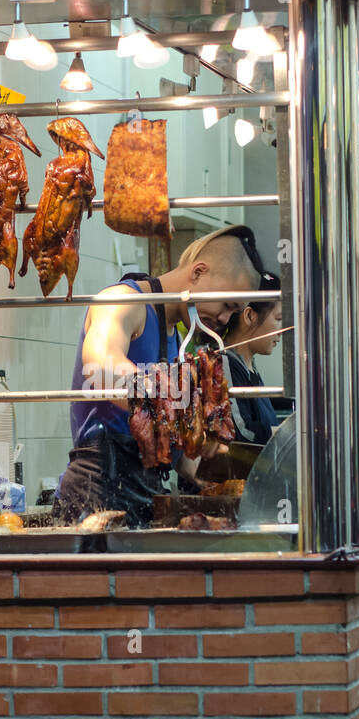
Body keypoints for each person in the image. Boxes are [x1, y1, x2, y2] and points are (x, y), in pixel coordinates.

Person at [53, 224, 269, 525]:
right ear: (198, 272)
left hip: (144, 494)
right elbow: (100, 366)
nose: (223, 319)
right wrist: (175, 411)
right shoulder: (123, 302)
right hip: (95, 492)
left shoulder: (175, 342)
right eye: (227, 306)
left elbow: (182, 458)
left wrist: (224, 476)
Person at [220, 274, 284, 445]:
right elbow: (241, 433)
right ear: (249, 316)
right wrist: (289, 434)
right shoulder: (224, 365)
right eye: (278, 319)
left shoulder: (249, 368)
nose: (281, 330)